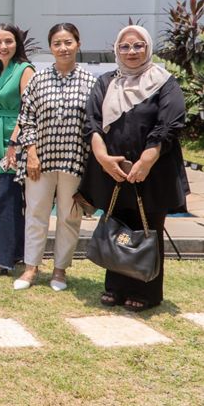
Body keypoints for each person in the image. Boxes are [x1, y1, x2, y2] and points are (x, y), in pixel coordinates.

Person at [79, 25, 187, 311]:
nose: (132, 52)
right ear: (117, 49)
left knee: (148, 226)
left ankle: (147, 291)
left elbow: (170, 123)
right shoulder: (105, 82)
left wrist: (146, 160)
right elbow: (92, 123)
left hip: (152, 171)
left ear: (148, 48)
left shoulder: (164, 81)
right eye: (125, 47)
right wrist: (102, 158)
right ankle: (115, 287)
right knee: (117, 225)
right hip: (114, 170)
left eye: (138, 45)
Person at [12, 23, 97, 291]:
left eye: (68, 42)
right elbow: (26, 119)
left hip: (74, 159)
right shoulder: (39, 79)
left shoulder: (91, 81)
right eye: (57, 43)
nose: (63, 48)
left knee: (69, 216)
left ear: (78, 44)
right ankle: (30, 268)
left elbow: (95, 123)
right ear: (51, 47)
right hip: (41, 159)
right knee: (36, 213)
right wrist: (32, 154)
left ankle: (60, 271)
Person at [0, 23, 35, 278]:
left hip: (15, 142)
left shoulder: (25, 70)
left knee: (7, 198)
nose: (3, 46)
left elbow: (29, 109)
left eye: (8, 41)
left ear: (17, 44)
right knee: (7, 197)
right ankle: (18, 253)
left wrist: (15, 142)